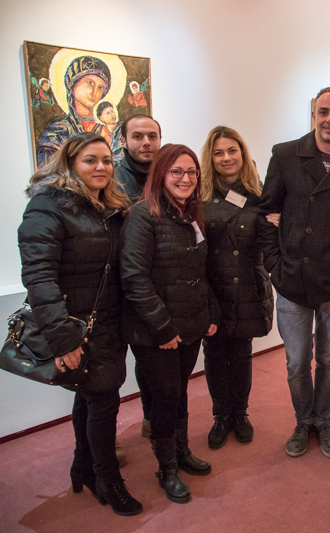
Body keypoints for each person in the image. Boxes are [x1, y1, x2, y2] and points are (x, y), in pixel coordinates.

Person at [18, 132, 141, 516]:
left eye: (106, 160)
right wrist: (63, 339)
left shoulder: (112, 205)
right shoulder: (48, 206)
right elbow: (39, 277)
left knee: (90, 396)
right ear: (70, 164)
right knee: (104, 401)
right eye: (90, 160)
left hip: (108, 322)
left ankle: (82, 466)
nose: (101, 167)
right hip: (76, 326)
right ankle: (108, 479)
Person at [259, 87, 330, 459]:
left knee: (328, 359)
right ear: (313, 114)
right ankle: (302, 420)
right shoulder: (285, 155)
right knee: (296, 362)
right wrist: (275, 267)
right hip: (292, 279)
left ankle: (322, 420)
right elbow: (266, 214)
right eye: (324, 111)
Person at [120, 144, 219, 504]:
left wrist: (209, 314)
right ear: (161, 174)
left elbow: (200, 271)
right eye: (176, 171)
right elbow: (134, 277)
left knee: (179, 392)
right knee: (164, 397)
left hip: (189, 325)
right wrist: (163, 329)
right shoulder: (142, 215)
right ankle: (167, 468)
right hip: (155, 331)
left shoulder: (190, 215)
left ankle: (181, 452)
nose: (185, 178)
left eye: (191, 171)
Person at [200, 126, 274, 449]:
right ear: (210, 158)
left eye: (232, 151)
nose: (226, 158)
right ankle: (221, 416)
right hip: (212, 287)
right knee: (215, 353)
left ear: (242, 154)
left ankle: (240, 414)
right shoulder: (199, 196)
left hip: (247, 284)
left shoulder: (260, 194)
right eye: (218, 153)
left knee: (242, 353)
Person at [113, 114, 162, 440]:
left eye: (152, 136)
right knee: (108, 371)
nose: (146, 142)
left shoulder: (166, 175)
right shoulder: (112, 179)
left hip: (152, 284)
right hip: (114, 286)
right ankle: (105, 441)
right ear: (124, 141)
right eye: (138, 136)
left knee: (149, 362)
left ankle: (151, 419)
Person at [37, 56, 111, 167]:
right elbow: (49, 169)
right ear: (73, 84)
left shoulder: (107, 129)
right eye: (90, 83)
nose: (94, 91)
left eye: (100, 87)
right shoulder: (57, 131)